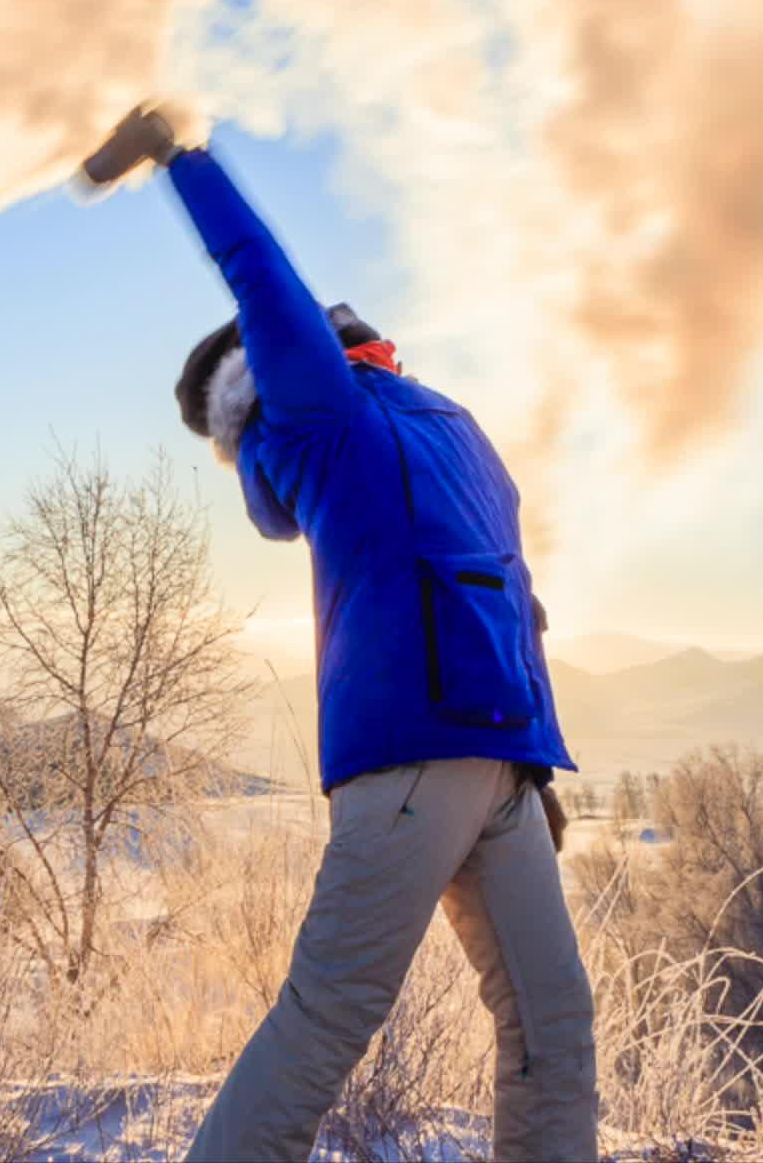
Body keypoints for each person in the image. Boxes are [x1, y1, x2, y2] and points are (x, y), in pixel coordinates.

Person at [83, 105, 597, 1163]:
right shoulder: (320, 417)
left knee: (556, 1029)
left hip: (498, 761)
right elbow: (261, 274)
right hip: (410, 760)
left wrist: (537, 764)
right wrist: (185, 158)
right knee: (329, 1022)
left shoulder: (441, 418)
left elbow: (512, 587)